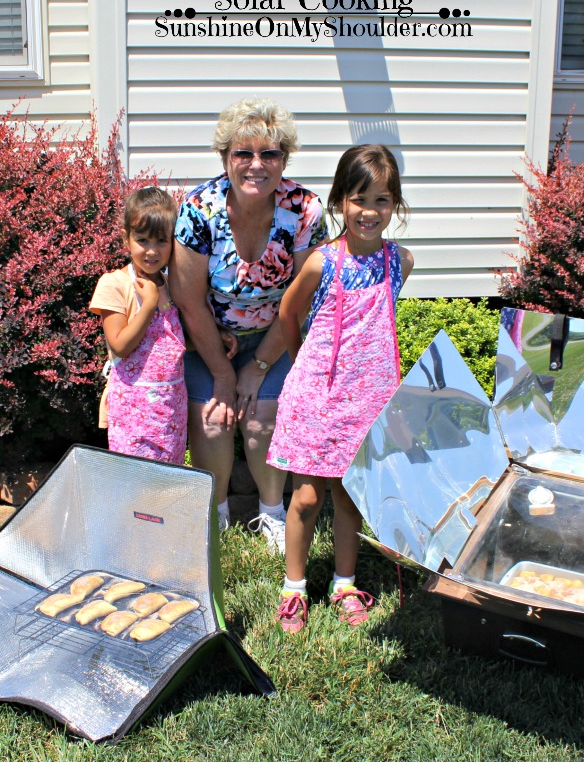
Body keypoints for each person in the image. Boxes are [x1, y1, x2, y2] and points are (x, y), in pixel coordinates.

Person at [267, 144, 414, 632]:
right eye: (359, 199)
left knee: (350, 496)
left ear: (395, 206)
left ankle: (344, 582)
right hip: (319, 399)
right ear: (339, 202)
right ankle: (294, 588)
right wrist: (299, 361)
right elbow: (289, 313)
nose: (370, 212)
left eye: (382, 201)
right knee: (307, 497)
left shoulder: (401, 263)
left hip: (369, 402)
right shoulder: (322, 263)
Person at [170, 98, 327, 550]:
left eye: (270, 154)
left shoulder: (305, 210)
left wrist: (258, 366)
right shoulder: (199, 210)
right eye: (243, 153)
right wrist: (222, 371)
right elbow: (187, 298)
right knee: (214, 419)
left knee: (260, 418)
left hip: (278, 333)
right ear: (225, 158)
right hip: (209, 336)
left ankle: (272, 512)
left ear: (284, 160)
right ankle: (214, 512)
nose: (256, 165)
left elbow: (303, 297)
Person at [90, 187, 187, 464]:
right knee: (135, 480)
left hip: (171, 407)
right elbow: (120, 345)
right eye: (142, 240)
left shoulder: (171, 284)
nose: (152, 251)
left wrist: (219, 338)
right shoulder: (115, 284)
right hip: (134, 410)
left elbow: (173, 343)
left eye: (161, 241)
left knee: (168, 478)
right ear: (126, 239)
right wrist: (148, 305)